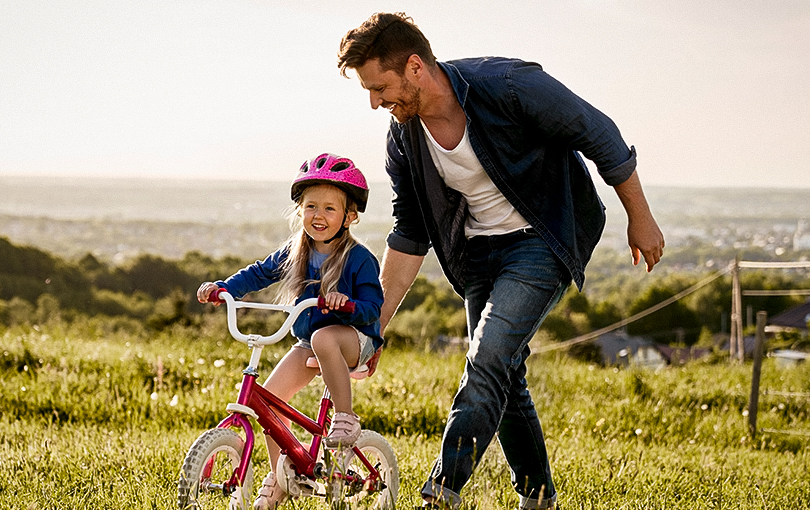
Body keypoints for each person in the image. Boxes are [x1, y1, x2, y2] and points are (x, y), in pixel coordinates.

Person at [337, 12, 665, 510]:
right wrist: (371, 328)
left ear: (415, 67)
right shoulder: (403, 136)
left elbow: (600, 133)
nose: (375, 101)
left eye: (380, 86)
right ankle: (539, 498)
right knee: (505, 376)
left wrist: (639, 217)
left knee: (488, 358)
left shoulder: (508, 86)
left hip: (543, 236)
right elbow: (410, 233)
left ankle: (441, 492)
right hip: (477, 255)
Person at [196, 153, 384, 510]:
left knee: (324, 337)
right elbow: (258, 273)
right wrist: (225, 289)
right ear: (300, 210)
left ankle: (345, 418)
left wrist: (346, 305)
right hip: (308, 342)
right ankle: (284, 475)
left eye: (330, 208)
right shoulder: (296, 250)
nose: (318, 215)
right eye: (311, 206)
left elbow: (373, 308)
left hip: (353, 338)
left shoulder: (359, 258)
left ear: (350, 216)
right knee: (269, 404)